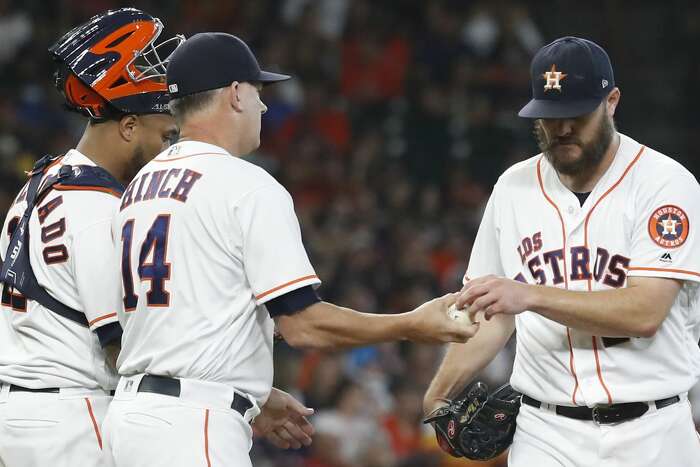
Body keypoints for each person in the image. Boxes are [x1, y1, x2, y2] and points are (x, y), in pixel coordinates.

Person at [102, 32, 479, 467]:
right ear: (236, 94)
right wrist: (411, 324)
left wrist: (253, 395)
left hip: (131, 418)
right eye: (258, 93)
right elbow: (303, 325)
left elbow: (186, 314)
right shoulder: (245, 184)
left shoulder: (137, 190)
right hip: (193, 426)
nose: (263, 106)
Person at [423, 36, 700, 467]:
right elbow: (490, 315)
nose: (563, 128)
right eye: (550, 117)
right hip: (545, 431)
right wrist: (437, 394)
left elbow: (645, 312)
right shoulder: (513, 187)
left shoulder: (665, 184)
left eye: (577, 114)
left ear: (611, 102)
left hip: (654, 430)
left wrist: (530, 295)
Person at [0, 8, 182, 467]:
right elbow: (123, 346)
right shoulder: (99, 208)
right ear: (128, 126)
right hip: (69, 422)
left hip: (24, 414)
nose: (169, 150)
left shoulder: (44, 179)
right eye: (165, 136)